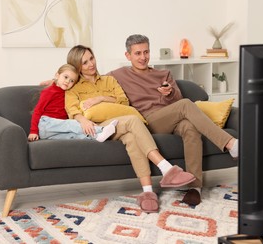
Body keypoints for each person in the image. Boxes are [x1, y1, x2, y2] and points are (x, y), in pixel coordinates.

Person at [107, 34, 239, 206]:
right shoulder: (118, 75)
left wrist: (169, 94)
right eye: (138, 53)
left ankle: (195, 187)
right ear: (128, 56)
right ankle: (230, 144)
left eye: (146, 52)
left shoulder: (164, 74)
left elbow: (178, 102)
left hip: (171, 117)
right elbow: (94, 81)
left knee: (190, 127)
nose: (143, 57)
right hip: (148, 122)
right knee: (186, 105)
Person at [64, 45, 196, 213]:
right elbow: (72, 110)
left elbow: (123, 101)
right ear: (77, 66)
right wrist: (83, 120)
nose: (91, 64)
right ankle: (167, 169)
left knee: (132, 138)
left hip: (120, 124)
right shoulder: (73, 88)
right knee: (134, 120)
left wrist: (100, 98)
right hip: (100, 129)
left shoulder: (109, 80)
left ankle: (148, 192)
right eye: (84, 62)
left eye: (91, 58)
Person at [28, 64, 118, 142]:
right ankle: (102, 129)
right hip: (47, 124)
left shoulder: (69, 93)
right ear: (57, 75)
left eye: (71, 81)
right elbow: (37, 111)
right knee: (73, 124)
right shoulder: (49, 92)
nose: (67, 81)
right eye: (66, 77)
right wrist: (33, 131)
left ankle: (97, 136)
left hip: (57, 130)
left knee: (74, 136)